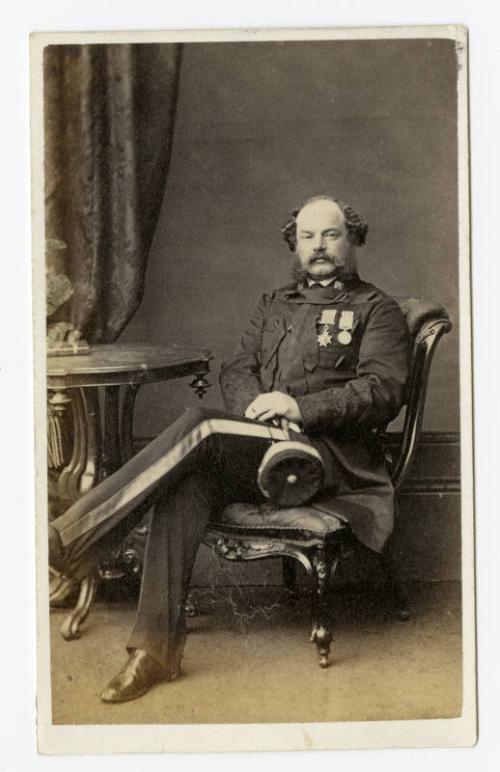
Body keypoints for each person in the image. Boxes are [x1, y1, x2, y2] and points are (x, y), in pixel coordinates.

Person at [49, 194, 409, 703]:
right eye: (308, 237)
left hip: (329, 458)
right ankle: (153, 651)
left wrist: (298, 407)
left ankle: (74, 537)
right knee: (186, 479)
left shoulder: (377, 309)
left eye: (330, 235)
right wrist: (259, 406)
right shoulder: (273, 304)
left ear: (352, 240)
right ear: (295, 244)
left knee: (198, 425)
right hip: (260, 443)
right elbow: (238, 368)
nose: (319, 246)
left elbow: (380, 390)